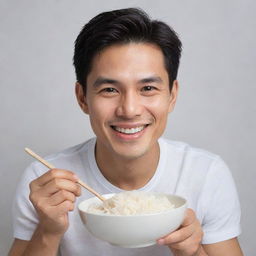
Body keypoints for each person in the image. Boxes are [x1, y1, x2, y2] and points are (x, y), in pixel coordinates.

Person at [8, 8, 243, 256]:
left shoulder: (206, 175)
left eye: (148, 88)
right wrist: (48, 231)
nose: (129, 110)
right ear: (82, 98)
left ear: (172, 95)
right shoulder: (45, 179)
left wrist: (192, 252)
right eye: (110, 89)